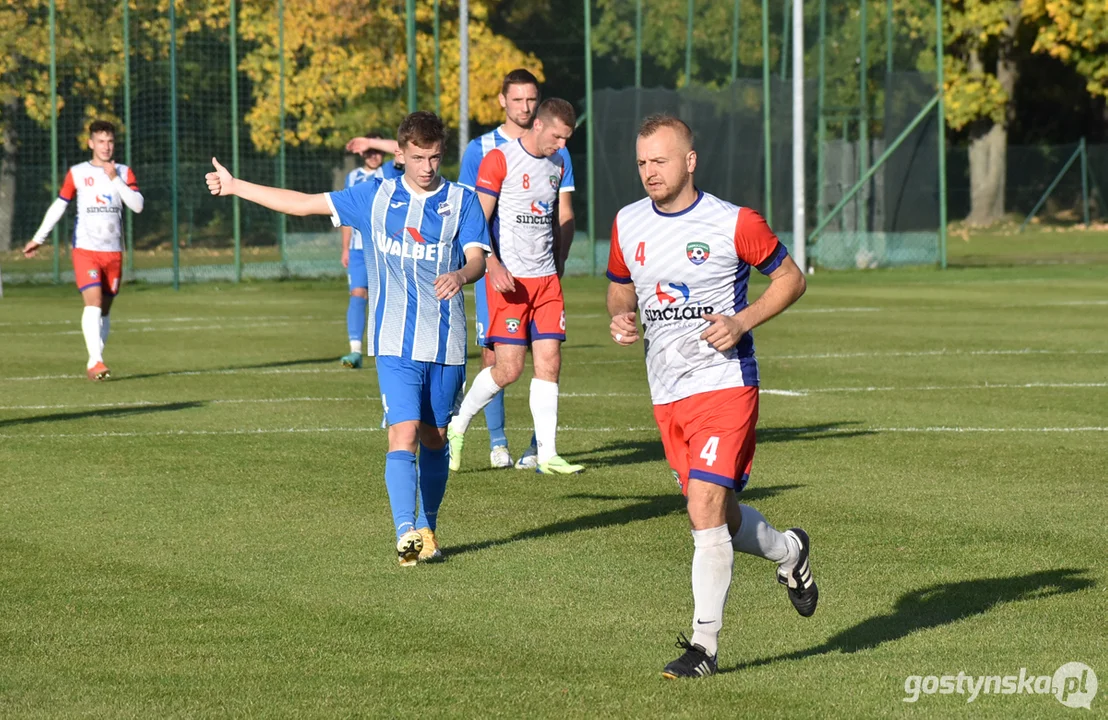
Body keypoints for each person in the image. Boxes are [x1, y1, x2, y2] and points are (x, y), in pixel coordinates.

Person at [206, 111, 489, 566]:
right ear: (400, 154)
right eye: (418, 158)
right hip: (393, 340)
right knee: (403, 432)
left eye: (435, 157)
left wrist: (460, 273)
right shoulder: (373, 196)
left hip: (446, 339)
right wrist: (238, 186)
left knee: (436, 437)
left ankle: (429, 525)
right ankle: (404, 531)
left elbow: (477, 259)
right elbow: (302, 203)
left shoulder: (463, 201)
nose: (427, 167)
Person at [605, 115, 818, 678]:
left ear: (690, 161)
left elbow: (791, 278)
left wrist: (742, 321)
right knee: (716, 515)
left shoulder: (733, 222)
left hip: (724, 385)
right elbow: (619, 284)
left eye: (661, 161)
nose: (650, 172)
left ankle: (703, 648)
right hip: (666, 392)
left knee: (702, 506)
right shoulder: (627, 222)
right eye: (643, 163)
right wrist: (621, 314)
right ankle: (789, 552)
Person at [446, 98, 584, 476]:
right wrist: (491, 263)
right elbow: (477, 220)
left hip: (546, 282)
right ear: (538, 125)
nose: (562, 145)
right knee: (508, 370)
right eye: (557, 136)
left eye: (567, 139)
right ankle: (458, 427)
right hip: (509, 283)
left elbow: (556, 215)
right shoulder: (500, 159)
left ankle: (548, 454)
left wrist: (559, 257)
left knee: (550, 364)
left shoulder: (558, 163)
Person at [23, 119, 144, 380]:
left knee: (106, 309)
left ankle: (94, 360)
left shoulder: (124, 171)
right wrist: (39, 237)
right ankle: (96, 361)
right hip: (85, 250)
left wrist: (115, 179)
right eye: (101, 141)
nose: (106, 146)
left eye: (110, 141)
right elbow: (60, 204)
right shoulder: (78, 173)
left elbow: (137, 205)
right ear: (91, 143)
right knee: (94, 302)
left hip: (113, 252)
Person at [339, 134, 403, 369]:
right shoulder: (352, 177)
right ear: (361, 154)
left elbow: (400, 148)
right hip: (358, 249)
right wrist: (345, 248)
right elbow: (345, 213)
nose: (373, 155)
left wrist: (371, 141)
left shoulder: (390, 171)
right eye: (368, 152)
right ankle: (355, 350)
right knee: (358, 294)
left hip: (385, 247)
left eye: (376, 150)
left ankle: (392, 349)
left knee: (389, 298)